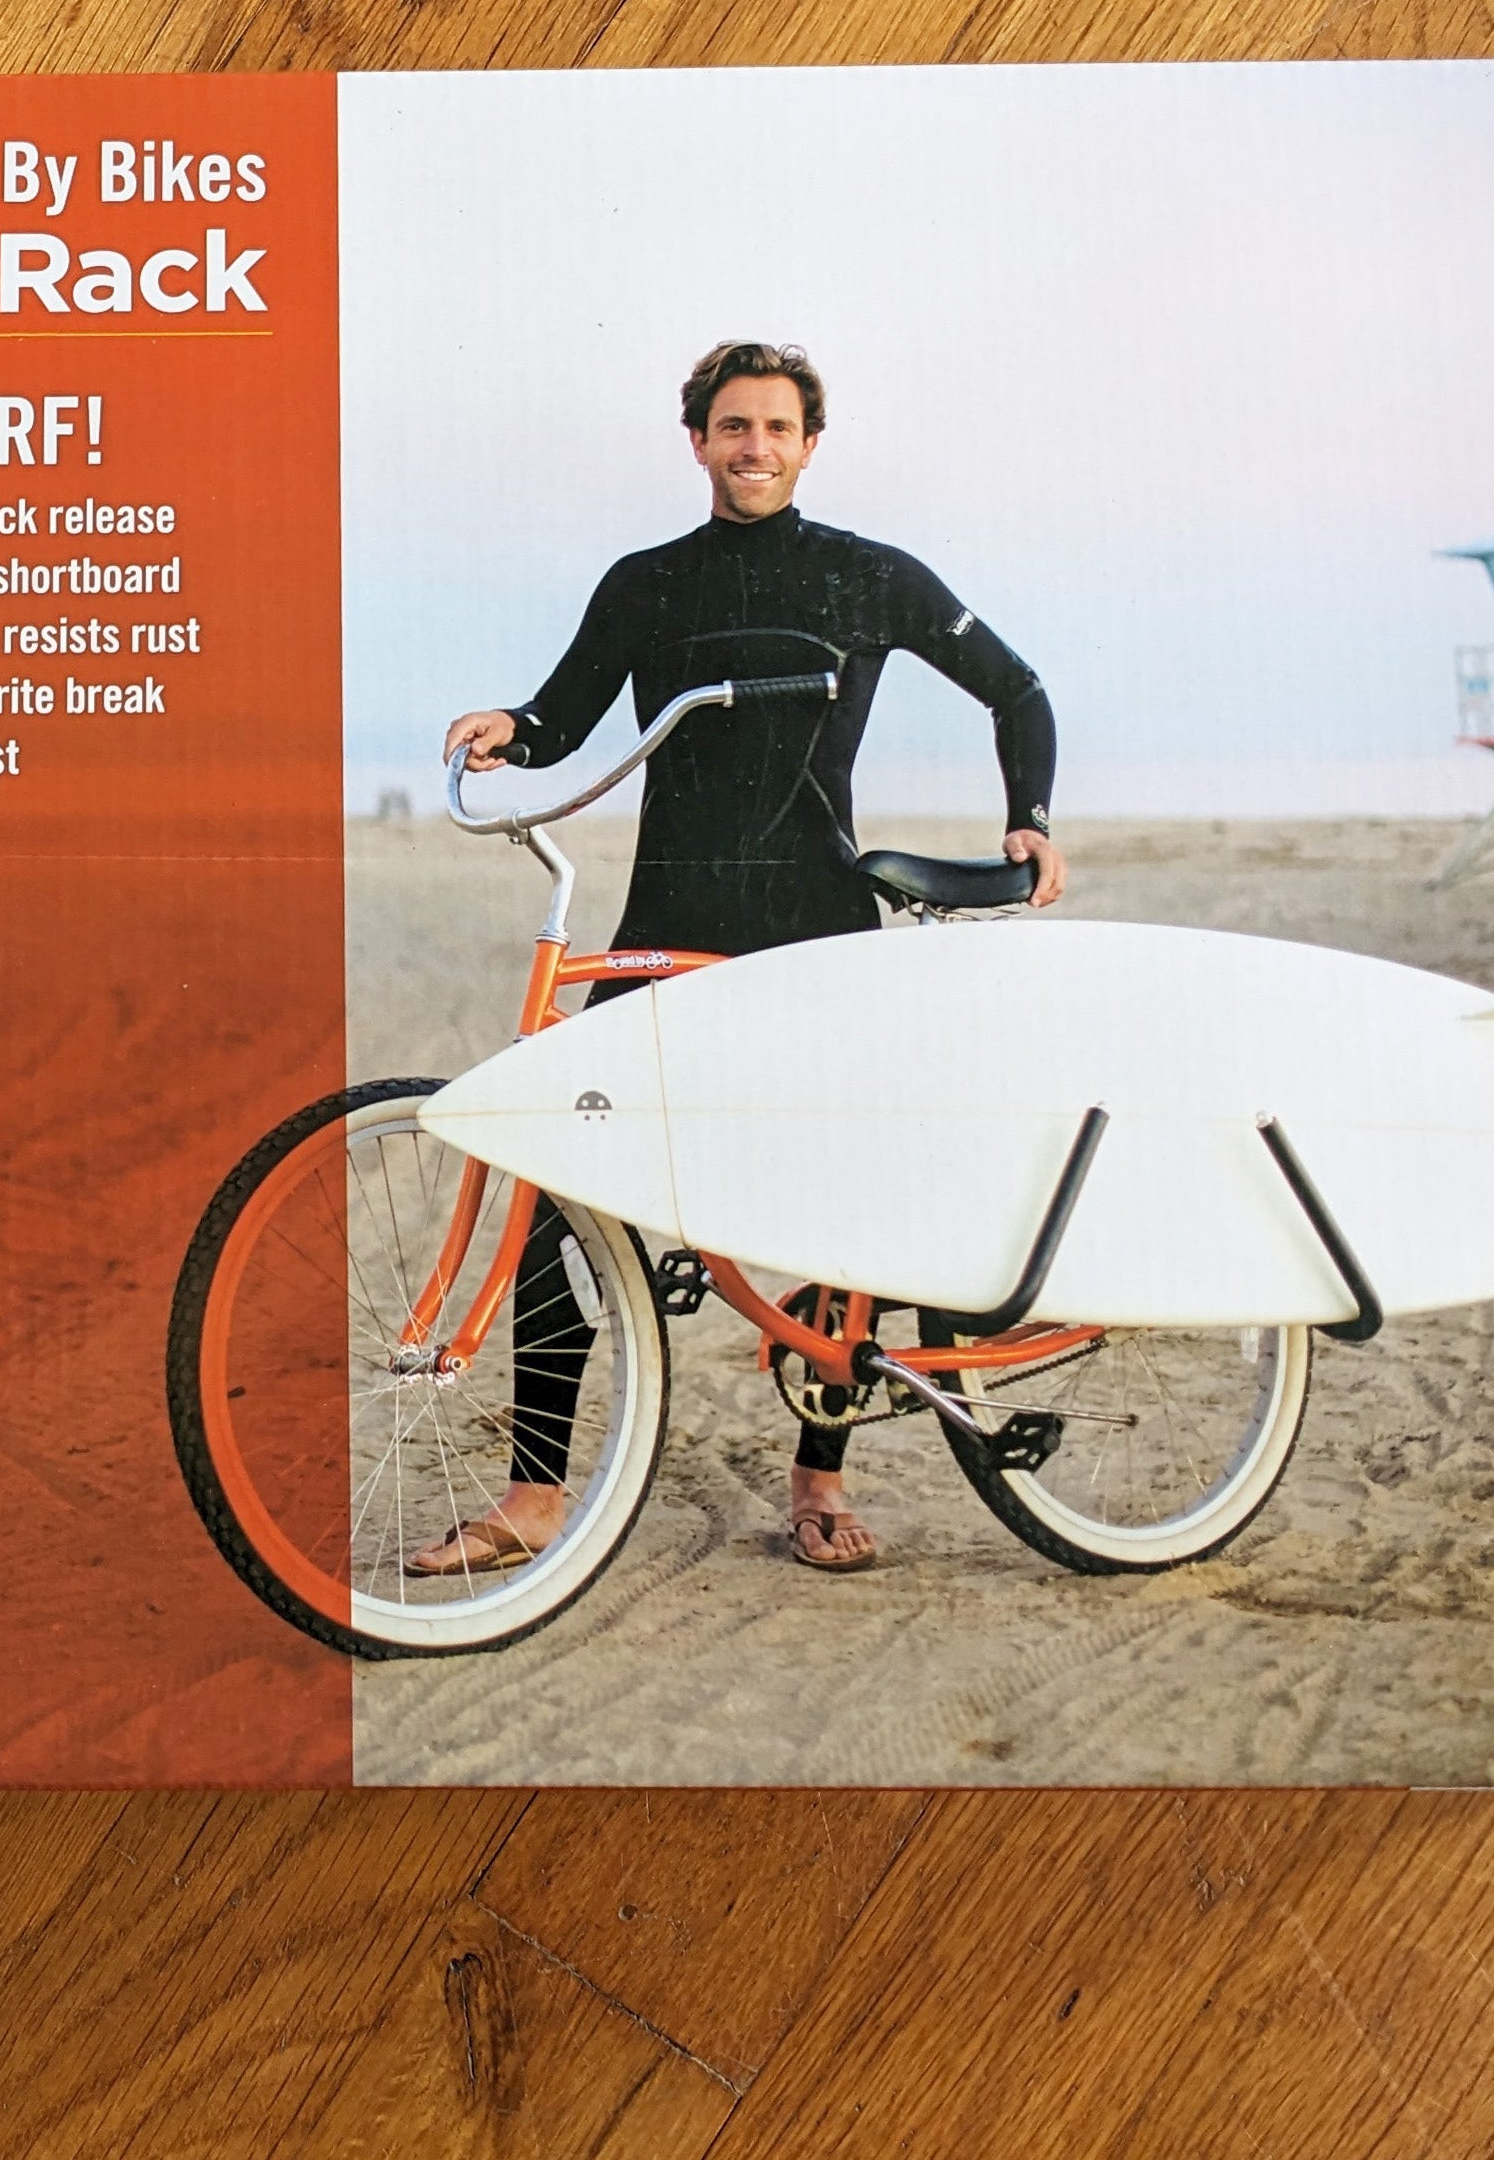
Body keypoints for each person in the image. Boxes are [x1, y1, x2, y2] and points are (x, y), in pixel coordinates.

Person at [407, 341, 1064, 1578]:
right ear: (698, 442)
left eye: (774, 427)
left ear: (809, 444)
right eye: (731, 427)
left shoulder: (868, 576)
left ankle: (819, 1481)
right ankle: (533, 1496)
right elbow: (561, 718)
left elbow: (1014, 689)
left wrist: (1027, 816)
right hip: (667, 923)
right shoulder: (646, 584)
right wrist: (509, 728)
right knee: (560, 1190)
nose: (753, 447)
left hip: (815, 930)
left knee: (837, 1219)